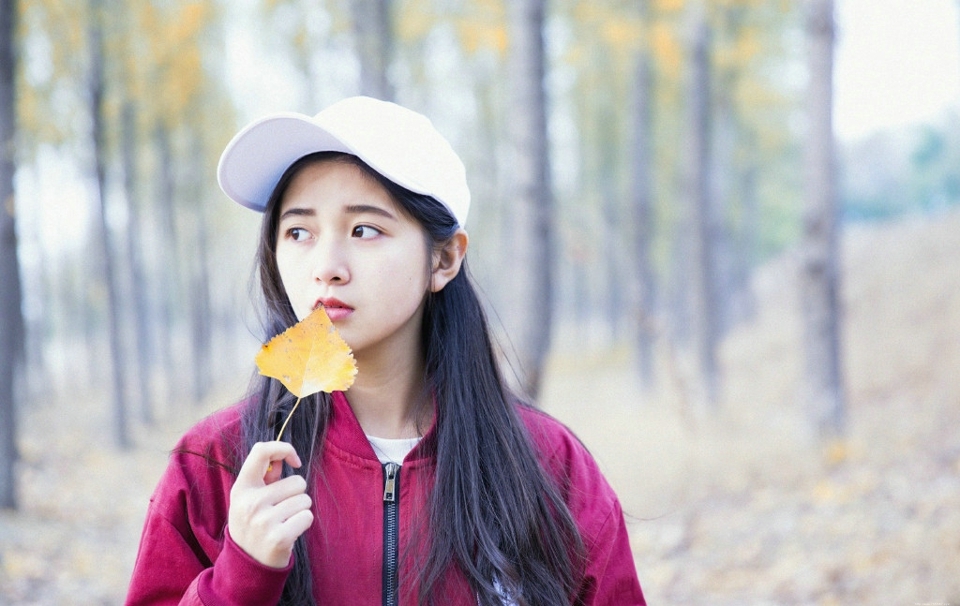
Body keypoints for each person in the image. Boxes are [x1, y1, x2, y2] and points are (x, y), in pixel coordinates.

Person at [125, 96, 646, 606]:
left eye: (365, 229)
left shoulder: (546, 467)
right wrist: (240, 577)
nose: (326, 265)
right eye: (299, 230)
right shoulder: (219, 464)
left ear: (444, 259)